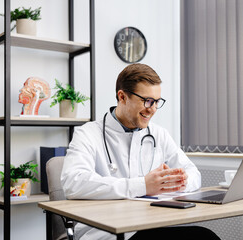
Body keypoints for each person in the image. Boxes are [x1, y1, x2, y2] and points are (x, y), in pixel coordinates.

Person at [61, 63, 220, 240]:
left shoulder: (159, 134)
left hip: (149, 225)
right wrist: (143, 185)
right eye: (147, 100)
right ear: (122, 97)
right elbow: (73, 183)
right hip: (104, 231)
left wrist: (176, 181)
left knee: (206, 236)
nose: (152, 109)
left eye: (157, 102)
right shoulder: (88, 134)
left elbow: (194, 175)